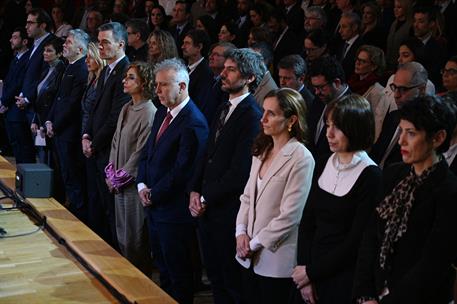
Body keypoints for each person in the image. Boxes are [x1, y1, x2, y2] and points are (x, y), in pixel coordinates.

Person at [353, 95, 457, 304]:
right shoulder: (393, 174)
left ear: (438, 138)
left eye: (411, 133)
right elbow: (371, 235)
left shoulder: (449, 190)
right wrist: (365, 294)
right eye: (401, 131)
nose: (401, 141)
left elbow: (433, 264)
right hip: (374, 292)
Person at [292, 94, 382, 304]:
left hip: (342, 278)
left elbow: (355, 241)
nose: (329, 133)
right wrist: (304, 272)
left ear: (356, 128)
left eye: (338, 127)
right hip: (309, 271)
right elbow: (307, 222)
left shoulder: (371, 175)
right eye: (328, 124)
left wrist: (312, 272)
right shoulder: (323, 162)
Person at [189, 48, 263, 304]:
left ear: (250, 77)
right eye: (224, 68)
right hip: (208, 208)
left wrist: (206, 197)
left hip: (227, 211)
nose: (223, 74)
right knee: (216, 279)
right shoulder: (223, 106)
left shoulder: (252, 115)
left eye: (231, 70)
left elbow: (240, 171)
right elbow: (207, 152)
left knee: (230, 285)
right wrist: (194, 191)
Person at [137, 58, 208, 304]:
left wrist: (153, 193)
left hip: (174, 213)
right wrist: (141, 184)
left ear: (182, 86)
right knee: (163, 272)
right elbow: (147, 153)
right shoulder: (161, 114)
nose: (157, 91)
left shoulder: (194, 121)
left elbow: (183, 172)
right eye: (156, 85)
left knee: (179, 278)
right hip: (155, 208)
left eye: (164, 85)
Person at [235, 88, 315, 304]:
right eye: (263, 111)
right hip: (248, 255)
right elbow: (247, 197)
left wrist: (253, 244)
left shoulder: (301, 157)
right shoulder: (262, 149)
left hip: (275, 259)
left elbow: (290, 216)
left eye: (271, 113)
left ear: (291, 120)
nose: (263, 118)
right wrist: (241, 232)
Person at [82, 22, 130, 246]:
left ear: (120, 44)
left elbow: (114, 117)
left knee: (110, 210)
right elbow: (93, 109)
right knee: (98, 203)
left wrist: (94, 142)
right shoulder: (107, 70)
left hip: (108, 150)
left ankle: (111, 254)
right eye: (99, 42)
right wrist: (85, 136)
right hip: (95, 146)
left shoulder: (125, 71)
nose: (100, 47)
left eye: (105, 43)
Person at [105, 61, 156, 275]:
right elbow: (116, 141)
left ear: (144, 83)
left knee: (135, 240)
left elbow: (141, 151)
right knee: (122, 237)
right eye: (126, 76)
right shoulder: (126, 107)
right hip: (118, 183)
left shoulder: (149, 111)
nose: (125, 80)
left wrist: (121, 176)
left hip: (132, 185)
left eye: (132, 77)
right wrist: (110, 172)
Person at [46, 29, 89, 221]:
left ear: (80, 48)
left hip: (69, 133)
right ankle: (70, 207)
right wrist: (49, 120)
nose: (64, 45)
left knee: (73, 176)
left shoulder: (81, 69)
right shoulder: (68, 66)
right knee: (65, 174)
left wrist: (55, 124)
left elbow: (72, 104)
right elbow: (59, 97)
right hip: (59, 130)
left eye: (69, 42)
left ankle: (77, 216)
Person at [370, 62, 428, 168]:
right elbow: (375, 154)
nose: (396, 95)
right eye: (394, 87)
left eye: (403, 89)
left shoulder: (425, 127)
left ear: (421, 90)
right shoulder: (393, 116)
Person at [81, 41, 106, 236]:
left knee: (97, 193)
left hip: (97, 143)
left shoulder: (103, 82)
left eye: (90, 56)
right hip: (87, 138)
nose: (87, 60)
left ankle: (98, 231)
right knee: (90, 189)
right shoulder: (92, 79)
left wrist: (91, 140)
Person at [0, 27, 35, 164]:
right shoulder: (15, 58)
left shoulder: (27, 59)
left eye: (15, 37)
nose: (11, 40)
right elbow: (8, 82)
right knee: (16, 146)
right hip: (9, 110)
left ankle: (28, 180)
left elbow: (18, 84)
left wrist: (4, 102)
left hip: (17, 111)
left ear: (25, 41)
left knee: (23, 148)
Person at [31, 37, 65, 165]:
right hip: (40, 119)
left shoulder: (61, 71)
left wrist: (47, 123)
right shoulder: (46, 69)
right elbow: (39, 97)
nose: (45, 53)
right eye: (44, 50)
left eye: (49, 51)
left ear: (60, 54)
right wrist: (35, 119)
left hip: (51, 122)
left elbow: (55, 100)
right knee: (42, 160)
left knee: (52, 162)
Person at [308, 56, 350, 158]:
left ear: (336, 83)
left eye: (321, 87)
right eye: (314, 87)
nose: (317, 92)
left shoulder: (351, 109)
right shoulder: (320, 98)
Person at [385, 0, 412, 70]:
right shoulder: (393, 24)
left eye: (399, 7)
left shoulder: (410, 26)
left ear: (406, 8)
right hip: (389, 64)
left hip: (402, 65)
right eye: (394, 7)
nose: (395, 10)